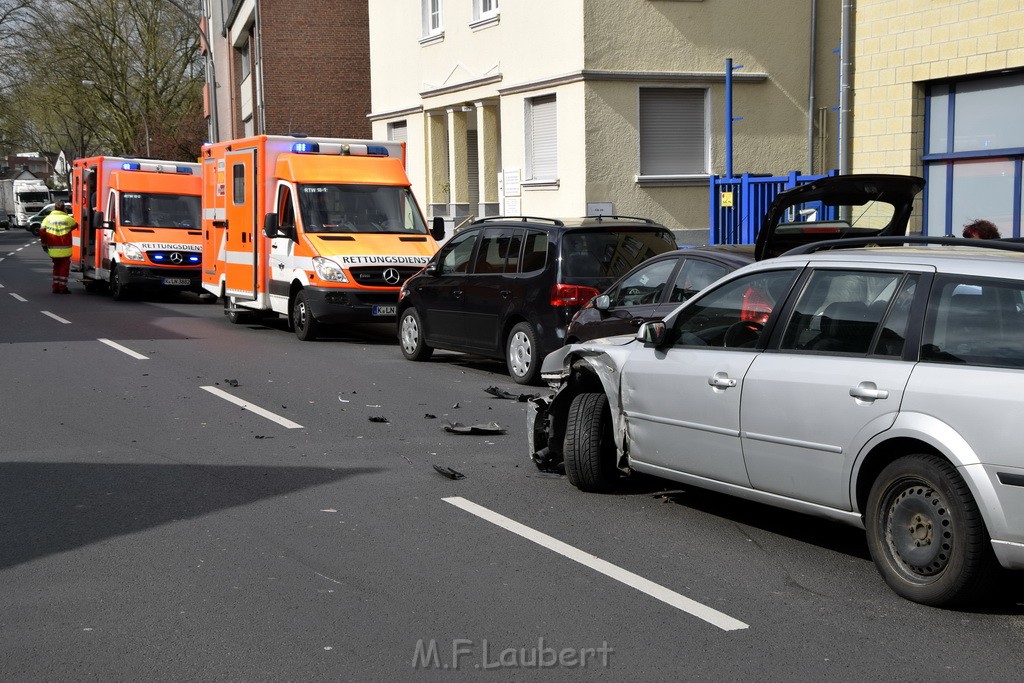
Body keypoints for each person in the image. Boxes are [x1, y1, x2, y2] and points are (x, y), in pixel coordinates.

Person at [40, 200, 77, 293]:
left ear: (54, 208)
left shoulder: (47, 219)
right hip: (65, 249)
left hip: (53, 249)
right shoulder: (67, 219)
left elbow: (42, 231)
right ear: (64, 208)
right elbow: (75, 225)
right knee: (64, 268)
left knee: (56, 266)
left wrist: (44, 245)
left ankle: (55, 287)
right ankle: (62, 287)